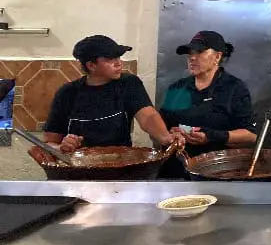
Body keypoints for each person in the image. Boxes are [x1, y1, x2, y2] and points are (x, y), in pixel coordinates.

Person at [43, 35, 179, 153]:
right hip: (79, 172)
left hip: (120, 168)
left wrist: (166, 138)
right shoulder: (67, 93)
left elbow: (148, 116)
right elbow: (49, 144)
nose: (119, 63)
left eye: (118, 57)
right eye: (110, 59)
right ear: (91, 65)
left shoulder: (128, 83)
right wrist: (62, 147)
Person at [158, 31, 257, 177]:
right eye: (190, 53)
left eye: (199, 52)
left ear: (218, 56)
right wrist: (170, 134)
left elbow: (251, 135)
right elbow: (161, 128)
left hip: (218, 171)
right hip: (176, 171)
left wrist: (213, 136)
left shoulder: (234, 88)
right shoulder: (177, 88)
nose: (192, 57)